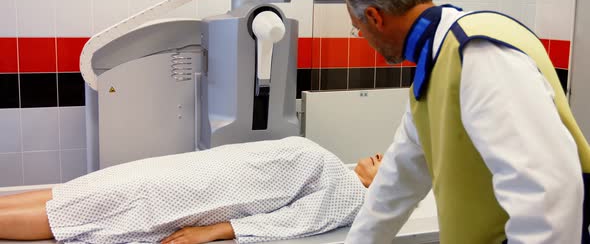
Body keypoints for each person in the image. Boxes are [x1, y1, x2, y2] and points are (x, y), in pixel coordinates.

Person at [343, 0, 590, 244]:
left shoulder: (476, 51)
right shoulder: (435, 63)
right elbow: (397, 180)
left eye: (358, 28)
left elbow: (547, 191)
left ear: (374, 17)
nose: (364, 38)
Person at [0, 136, 383, 243]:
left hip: (199, 193)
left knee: (93, 210)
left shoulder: (351, 196)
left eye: (388, 165)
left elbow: (290, 223)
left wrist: (213, 232)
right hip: (193, 171)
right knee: (85, 190)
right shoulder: (339, 168)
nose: (380, 155)